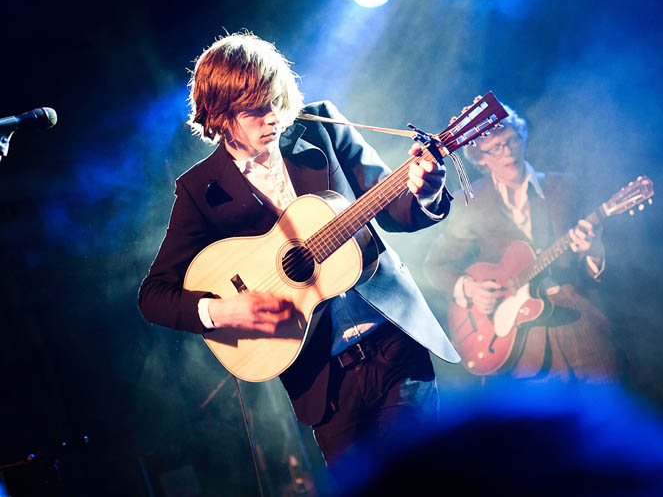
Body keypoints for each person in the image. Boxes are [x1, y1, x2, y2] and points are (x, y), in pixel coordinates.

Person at [138, 32, 459, 470]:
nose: (273, 118)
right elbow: (154, 296)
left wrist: (428, 192)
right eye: (255, 110)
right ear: (219, 115)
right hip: (321, 381)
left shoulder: (320, 127)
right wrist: (222, 312)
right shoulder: (200, 190)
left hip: (393, 344)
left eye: (276, 101)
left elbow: (397, 211)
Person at [424, 103, 620, 382]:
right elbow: (436, 265)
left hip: (575, 320)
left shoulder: (564, 187)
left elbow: (604, 264)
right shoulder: (470, 203)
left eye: (512, 140)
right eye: (496, 148)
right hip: (517, 344)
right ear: (479, 158)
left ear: (522, 138)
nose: (508, 151)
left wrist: (592, 250)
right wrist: (468, 288)